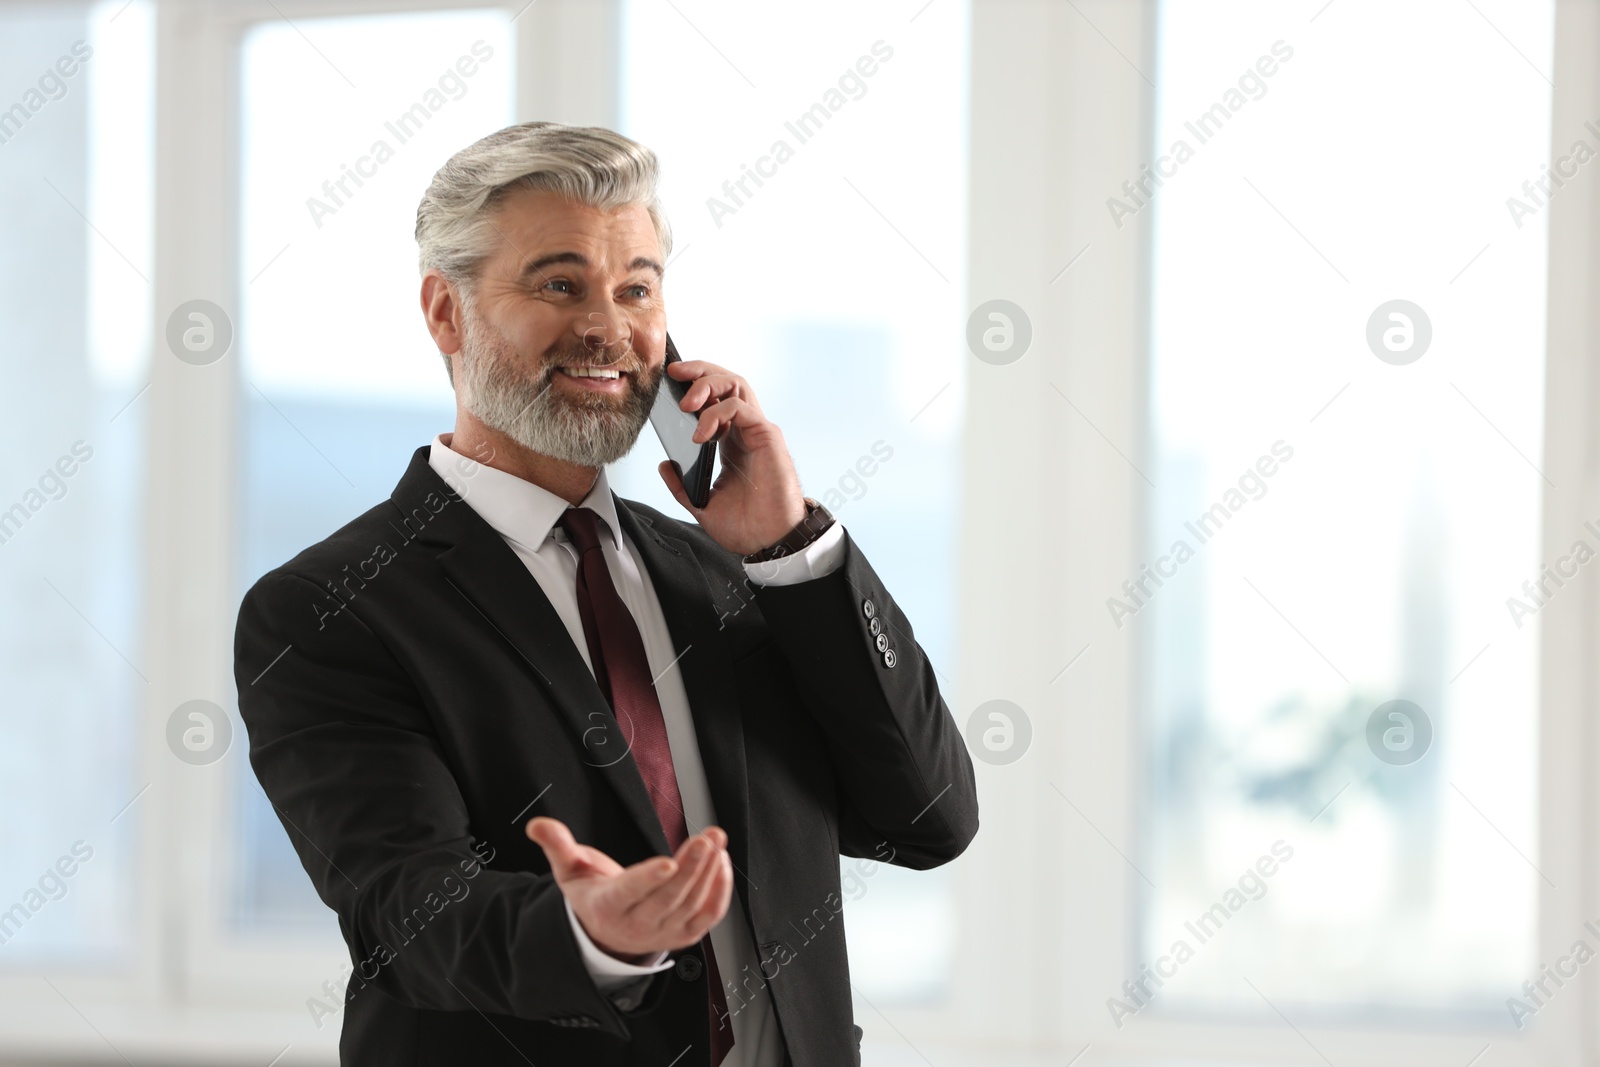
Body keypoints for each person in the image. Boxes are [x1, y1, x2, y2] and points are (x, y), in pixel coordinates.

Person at [233, 120, 978, 1067]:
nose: (608, 328)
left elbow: (928, 819)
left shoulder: (735, 574)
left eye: (637, 288)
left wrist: (790, 548)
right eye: (559, 284)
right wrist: (596, 930)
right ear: (446, 313)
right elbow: (408, 912)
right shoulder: (328, 608)